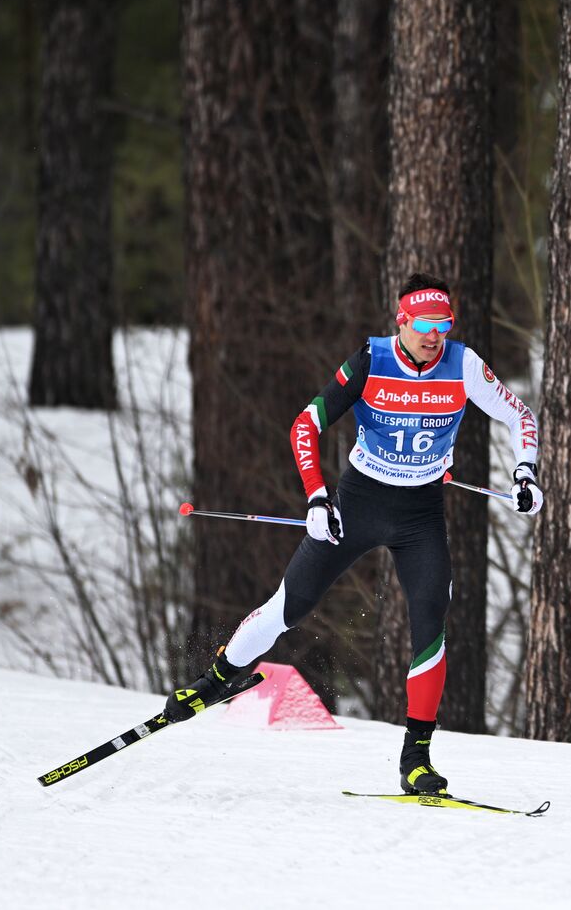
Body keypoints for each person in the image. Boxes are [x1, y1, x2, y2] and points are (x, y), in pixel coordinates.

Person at [165, 273, 542, 795]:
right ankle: (213, 680)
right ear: (402, 321)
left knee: (431, 620)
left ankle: (416, 758)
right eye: (426, 324)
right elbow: (306, 423)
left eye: (445, 324)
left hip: (420, 514)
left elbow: (519, 414)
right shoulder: (372, 359)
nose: (436, 335)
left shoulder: (464, 364)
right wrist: (317, 496)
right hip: (359, 503)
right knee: (291, 604)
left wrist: (526, 472)